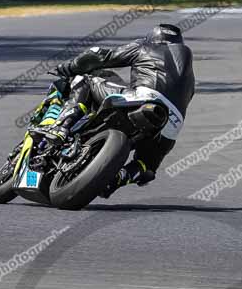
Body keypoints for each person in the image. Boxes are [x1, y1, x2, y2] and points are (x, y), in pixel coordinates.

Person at [37, 24, 195, 197]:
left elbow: (100, 56)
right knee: (146, 166)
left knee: (86, 80)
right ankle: (119, 178)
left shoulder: (145, 45)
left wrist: (68, 68)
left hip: (143, 98)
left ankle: (62, 127)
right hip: (171, 124)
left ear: (153, 37)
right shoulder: (190, 77)